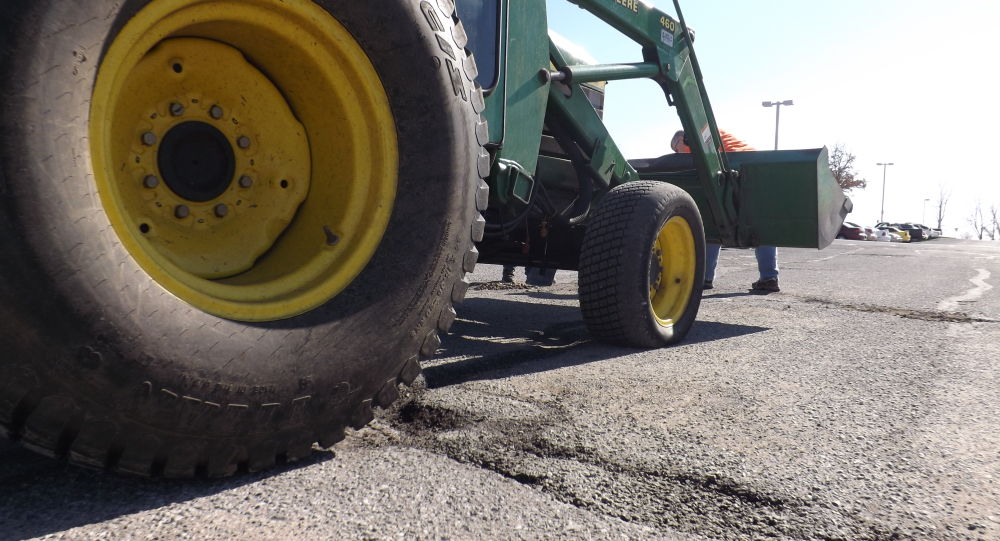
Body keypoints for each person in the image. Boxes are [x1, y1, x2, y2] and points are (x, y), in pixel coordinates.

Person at [669, 130, 779, 293]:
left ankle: (705, 278)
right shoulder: (710, 134)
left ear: (681, 139)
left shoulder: (695, 135)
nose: (677, 153)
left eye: (676, 148)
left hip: (735, 167)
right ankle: (769, 278)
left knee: (713, 221)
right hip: (756, 170)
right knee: (760, 226)